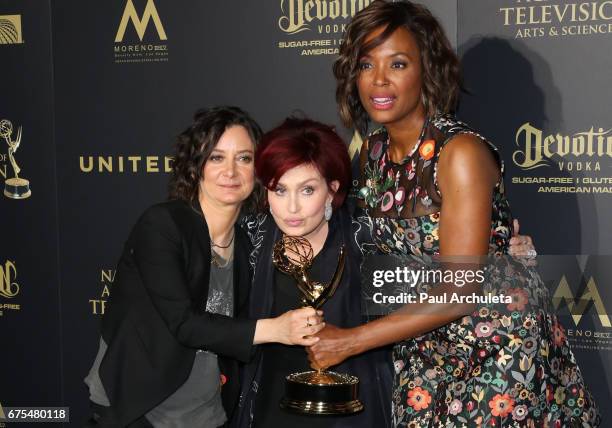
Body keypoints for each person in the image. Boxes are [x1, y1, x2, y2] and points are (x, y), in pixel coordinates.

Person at [307, 2, 600, 427]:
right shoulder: (373, 152)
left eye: (399, 63)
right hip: (423, 348)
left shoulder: (459, 152)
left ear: (427, 70)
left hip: (498, 353)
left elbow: (459, 292)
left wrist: (350, 342)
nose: (379, 80)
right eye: (366, 64)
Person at [83, 106, 324, 428]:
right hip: (140, 407)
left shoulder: (248, 242)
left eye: (244, 158)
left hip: (208, 410)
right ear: (196, 166)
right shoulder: (162, 224)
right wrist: (276, 329)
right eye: (216, 157)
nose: (231, 172)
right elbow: (183, 323)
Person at [234, 117, 392, 428]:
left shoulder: (370, 238)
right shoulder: (249, 238)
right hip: (270, 409)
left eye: (307, 190)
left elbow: (446, 288)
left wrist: (506, 249)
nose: (291, 208)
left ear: (332, 190)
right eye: (279, 190)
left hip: (354, 412)